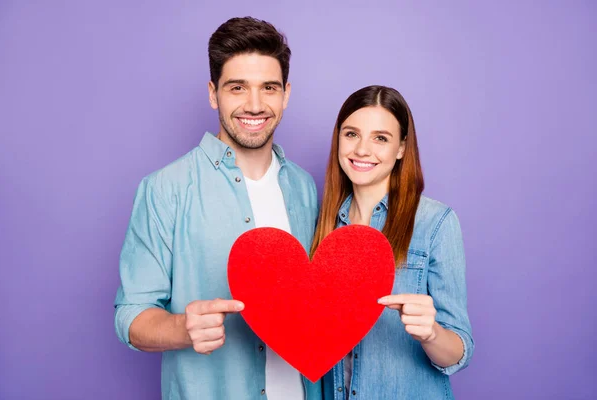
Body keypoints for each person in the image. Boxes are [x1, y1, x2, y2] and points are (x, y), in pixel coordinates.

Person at [114, 17, 322, 400]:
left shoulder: (304, 188)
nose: (255, 105)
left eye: (269, 88)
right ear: (213, 94)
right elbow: (131, 315)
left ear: (286, 94)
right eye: (237, 88)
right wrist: (182, 328)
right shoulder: (166, 189)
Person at [312, 85, 474, 399]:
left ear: (401, 148)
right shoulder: (322, 224)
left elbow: (459, 353)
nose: (361, 150)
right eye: (351, 134)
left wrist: (431, 334)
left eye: (380, 138)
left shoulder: (435, 223)